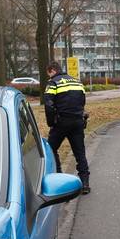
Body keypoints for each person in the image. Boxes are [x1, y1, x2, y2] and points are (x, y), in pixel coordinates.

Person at [42, 60, 90, 194]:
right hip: (77, 121)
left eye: (48, 73)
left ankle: (59, 178)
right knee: (80, 153)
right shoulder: (77, 82)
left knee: (51, 149)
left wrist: (51, 123)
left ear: (52, 70)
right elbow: (82, 101)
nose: (49, 76)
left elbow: (49, 105)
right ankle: (85, 183)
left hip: (61, 123)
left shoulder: (53, 83)